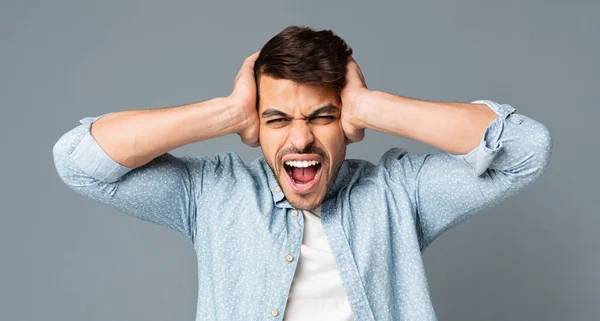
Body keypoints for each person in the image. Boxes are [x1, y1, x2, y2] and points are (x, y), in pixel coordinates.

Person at [52, 26, 552, 321]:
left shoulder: (400, 194)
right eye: (277, 119)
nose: (300, 140)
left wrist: (370, 105)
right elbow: (80, 162)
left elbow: (525, 149)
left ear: (347, 124)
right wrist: (227, 113)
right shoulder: (211, 195)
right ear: (256, 124)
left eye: (321, 116)